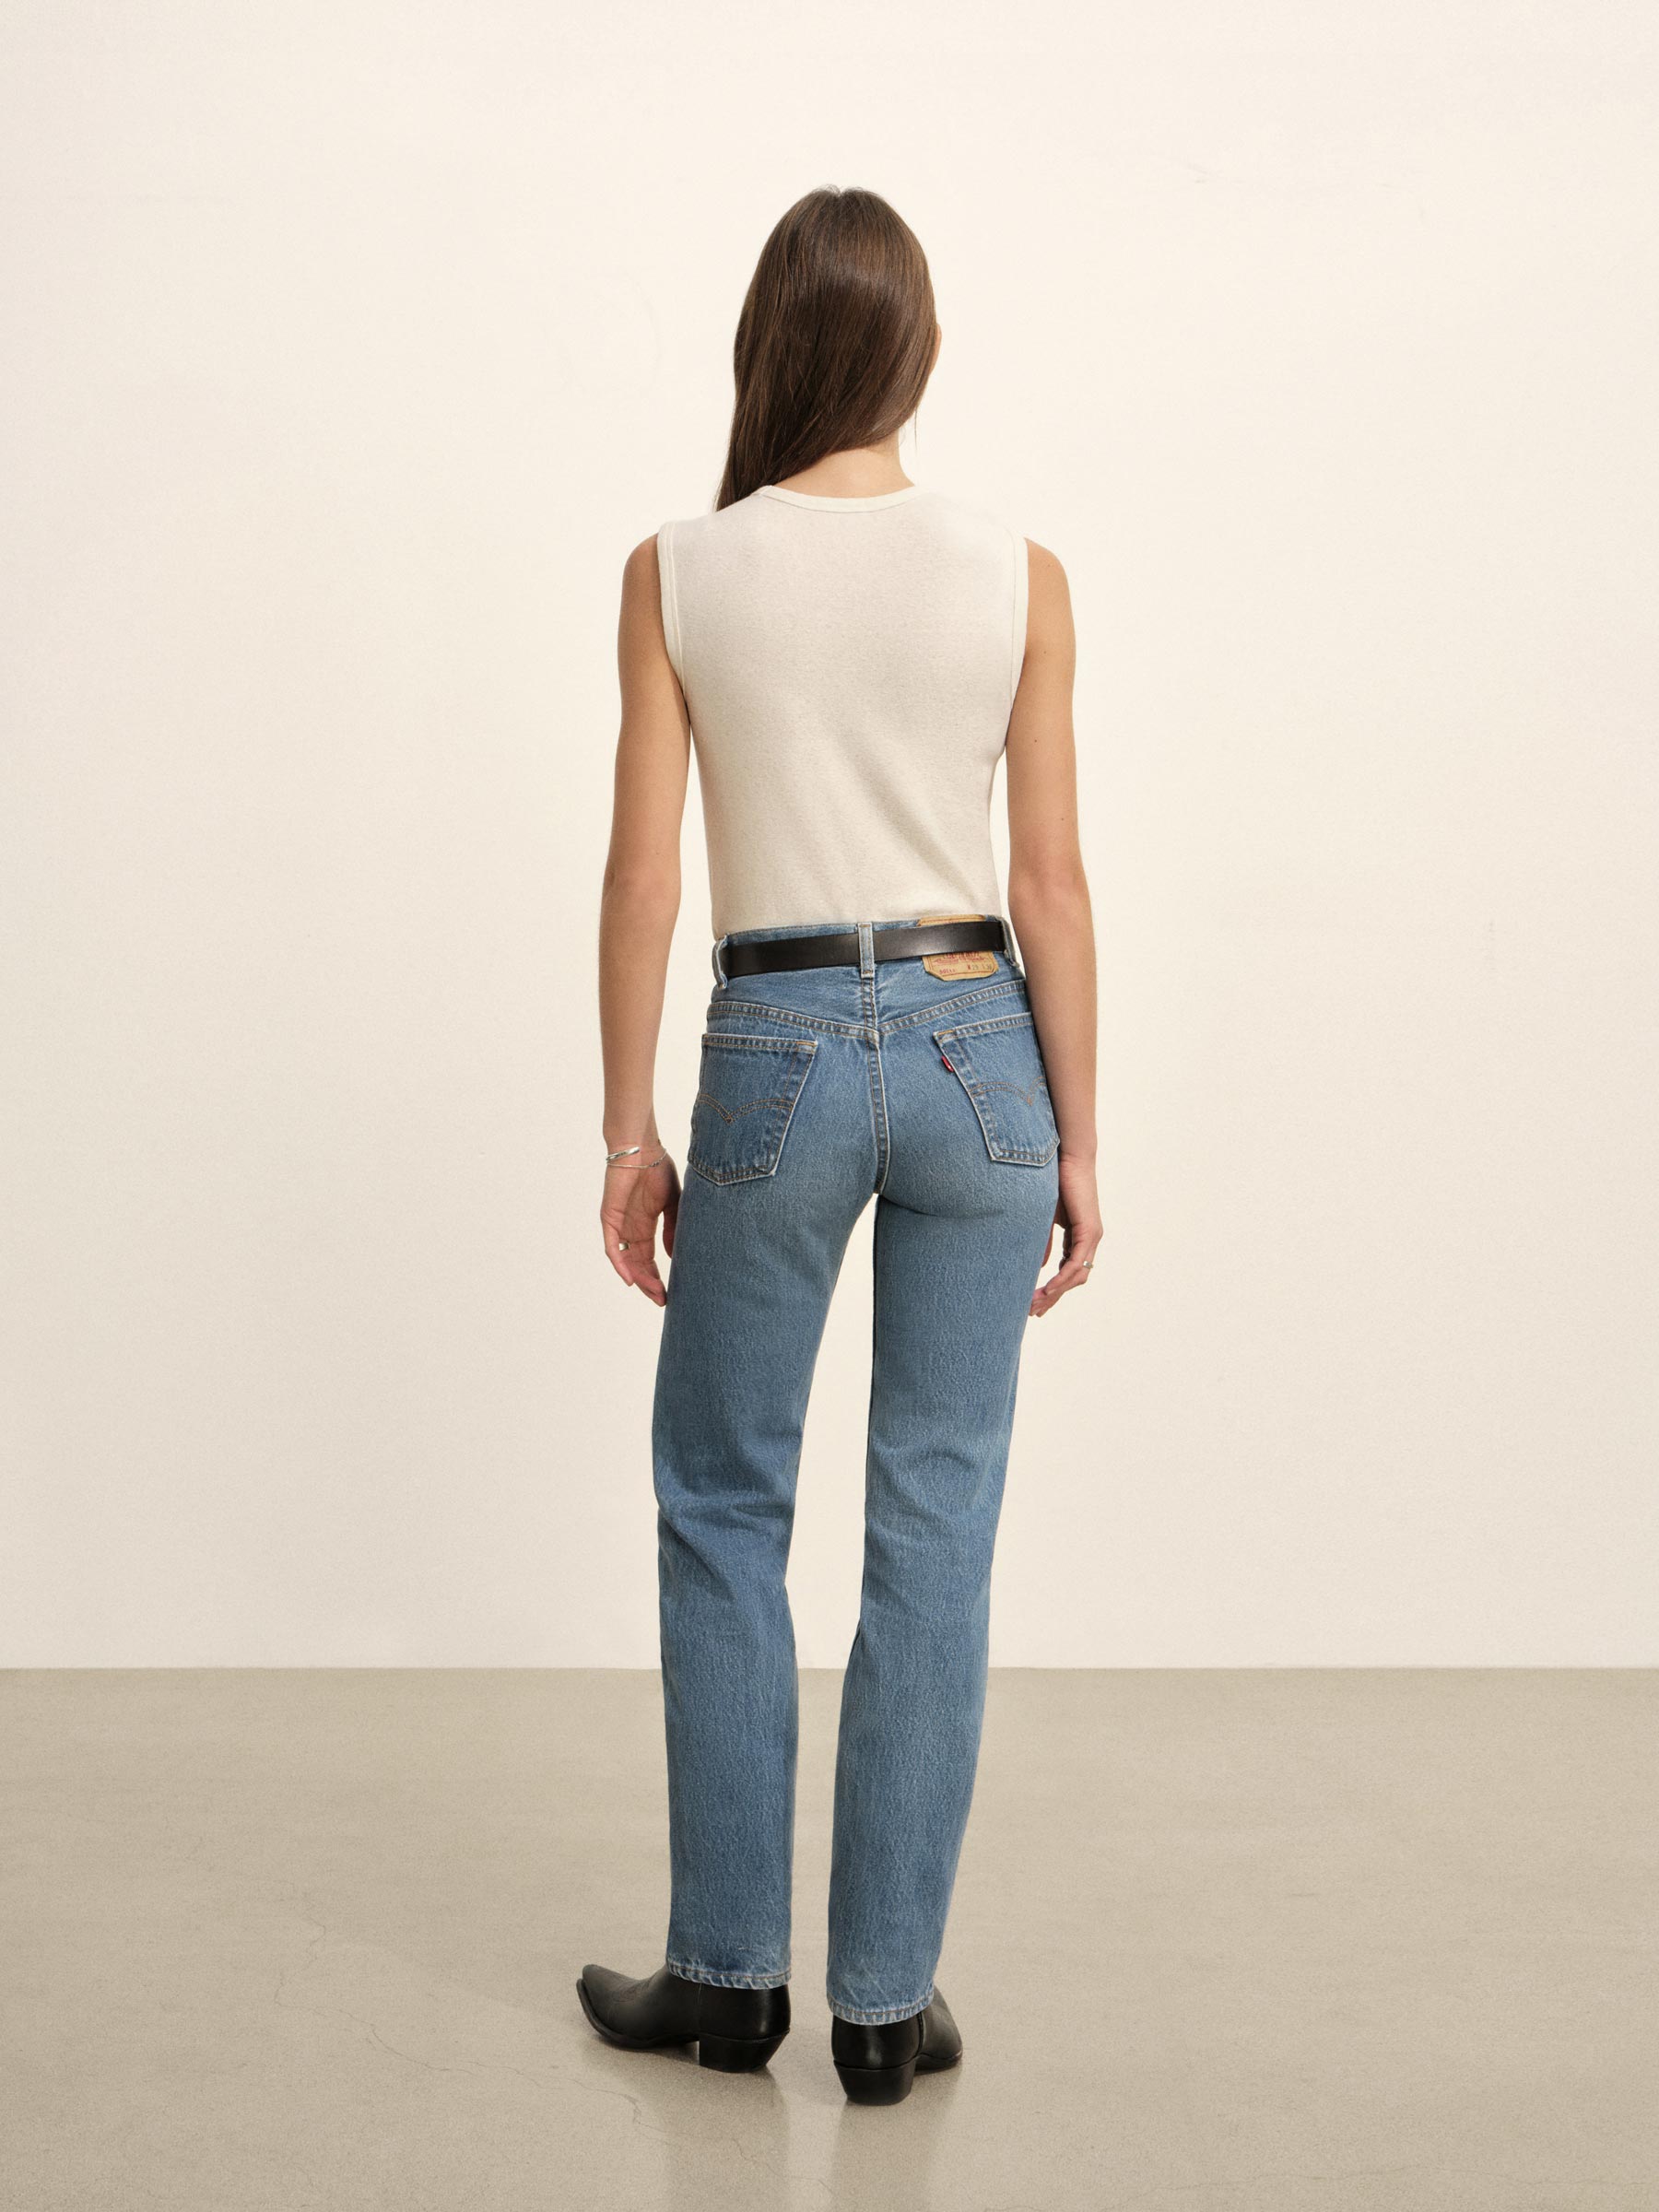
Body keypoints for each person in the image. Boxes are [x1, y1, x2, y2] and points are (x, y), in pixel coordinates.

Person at [577, 184, 1100, 2106]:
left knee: (726, 1503)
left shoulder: (679, 570)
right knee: (934, 1521)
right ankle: (885, 2004)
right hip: (979, 1040)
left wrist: (626, 1124)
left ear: (770, 344)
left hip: (778, 1041)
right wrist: (1082, 1136)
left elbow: (647, 875)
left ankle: (732, 1983)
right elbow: (1050, 882)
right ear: (916, 350)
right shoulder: (1020, 573)